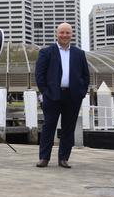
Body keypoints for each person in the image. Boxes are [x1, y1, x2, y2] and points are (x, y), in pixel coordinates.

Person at [35, 22, 89, 169]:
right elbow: (39, 76)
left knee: (68, 128)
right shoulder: (46, 52)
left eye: (67, 33)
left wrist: (81, 93)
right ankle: (44, 158)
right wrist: (46, 92)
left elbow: (85, 76)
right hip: (52, 96)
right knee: (49, 127)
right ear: (57, 34)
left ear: (72, 35)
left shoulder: (79, 53)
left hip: (73, 97)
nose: (64, 35)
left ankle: (64, 158)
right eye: (62, 32)